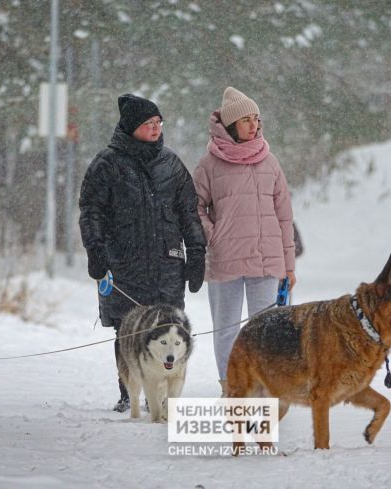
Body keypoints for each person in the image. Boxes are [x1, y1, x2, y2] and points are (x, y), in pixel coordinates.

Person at [79, 94, 206, 412]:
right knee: (129, 328)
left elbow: (189, 212)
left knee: (168, 329)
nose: (155, 129)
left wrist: (197, 251)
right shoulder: (106, 165)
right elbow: (91, 210)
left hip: (167, 264)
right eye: (149, 124)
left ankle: (162, 395)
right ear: (132, 127)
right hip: (124, 264)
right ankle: (130, 391)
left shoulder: (172, 165)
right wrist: (95, 249)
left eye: (158, 123)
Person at [193, 87, 296, 396]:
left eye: (256, 119)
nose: (253, 125)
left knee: (267, 330)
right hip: (226, 260)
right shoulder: (209, 165)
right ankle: (232, 386)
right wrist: (215, 235)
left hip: (267, 261)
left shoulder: (270, 162)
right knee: (226, 329)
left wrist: (288, 268)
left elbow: (284, 218)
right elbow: (194, 208)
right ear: (230, 125)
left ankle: (265, 387)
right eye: (246, 120)